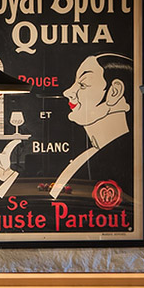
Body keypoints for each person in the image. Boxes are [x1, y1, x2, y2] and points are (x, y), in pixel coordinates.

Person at [50, 53, 132, 200]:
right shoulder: (92, 153)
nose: (68, 92)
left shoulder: (122, 159)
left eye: (83, 84)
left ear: (114, 92)